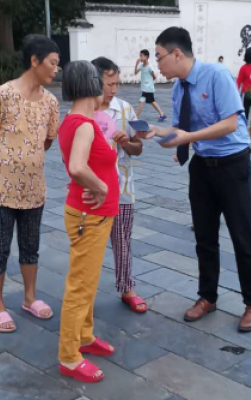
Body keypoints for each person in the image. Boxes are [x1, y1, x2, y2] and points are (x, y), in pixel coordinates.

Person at [140, 27, 251, 332]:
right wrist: (156, 133)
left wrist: (189, 137)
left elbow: (231, 123)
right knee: (204, 237)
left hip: (233, 164)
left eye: (159, 57)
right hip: (202, 167)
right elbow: (179, 131)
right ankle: (207, 296)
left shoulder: (216, 75)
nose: (157, 64)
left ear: (176, 53)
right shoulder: (178, 89)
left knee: (241, 235)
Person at [0, 35, 60, 333]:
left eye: (58, 64)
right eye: (52, 63)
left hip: (33, 189)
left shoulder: (50, 102)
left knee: (30, 247)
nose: (56, 69)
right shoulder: (3, 94)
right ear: (34, 61)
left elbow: (47, 141)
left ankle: (29, 298)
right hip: (0, 189)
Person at [57, 60, 119, 383]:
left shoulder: (75, 120)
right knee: (80, 286)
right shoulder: (83, 124)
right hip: (89, 215)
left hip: (91, 214)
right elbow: (77, 167)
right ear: (91, 84)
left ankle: (84, 335)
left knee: (87, 282)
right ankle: (69, 356)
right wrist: (101, 186)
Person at [91, 56, 147, 313]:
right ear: (94, 81)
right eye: (109, 84)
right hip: (91, 190)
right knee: (89, 244)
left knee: (122, 240)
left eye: (117, 84)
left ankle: (127, 288)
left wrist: (126, 142)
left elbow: (138, 148)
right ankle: (85, 291)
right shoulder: (84, 112)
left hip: (122, 188)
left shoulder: (125, 109)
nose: (114, 89)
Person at [135, 49, 167, 122]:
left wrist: (149, 82)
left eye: (141, 56)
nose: (140, 57)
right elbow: (135, 72)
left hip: (148, 88)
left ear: (146, 57)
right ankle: (162, 114)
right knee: (151, 101)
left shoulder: (150, 67)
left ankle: (135, 117)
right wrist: (136, 64)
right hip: (145, 88)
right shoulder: (141, 65)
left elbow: (154, 77)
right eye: (140, 55)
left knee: (142, 101)